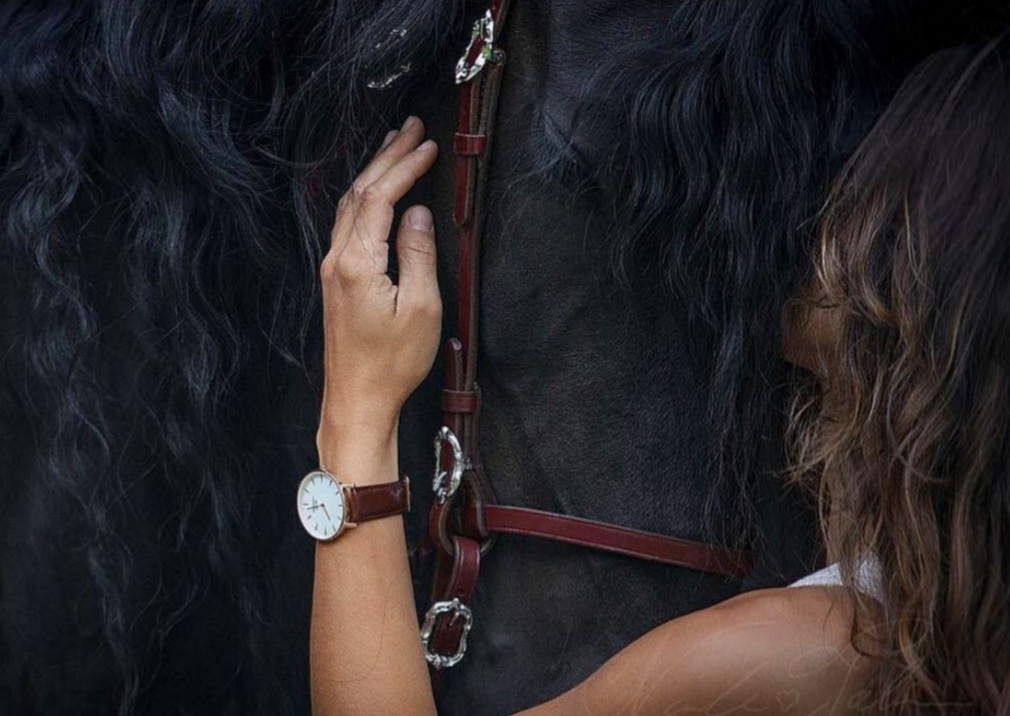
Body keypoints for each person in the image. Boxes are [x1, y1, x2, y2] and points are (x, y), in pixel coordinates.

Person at [307, 33, 1010, 716]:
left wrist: (358, 412)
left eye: (865, 192)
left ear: (922, 290)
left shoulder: (820, 650)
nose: (818, 210)